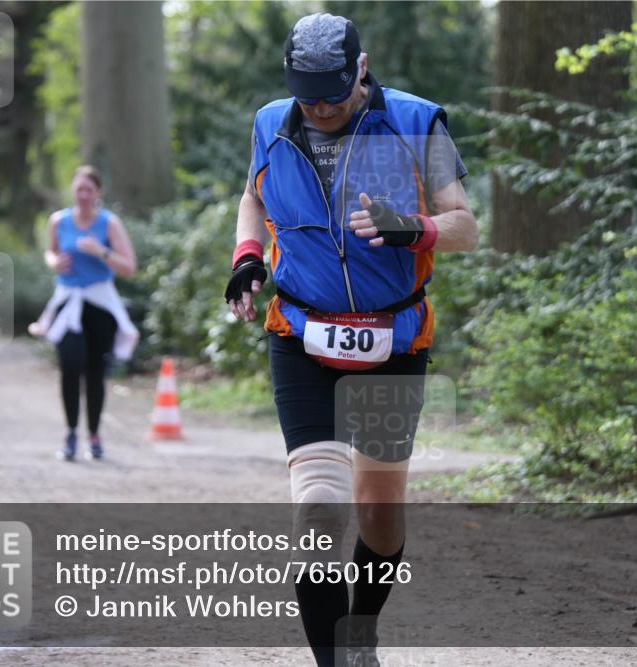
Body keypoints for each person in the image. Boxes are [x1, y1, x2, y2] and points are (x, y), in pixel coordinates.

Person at [225, 13, 477, 666]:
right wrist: (247, 256)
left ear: (360, 72)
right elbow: (252, 197)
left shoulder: (420, 121)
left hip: (394, 341)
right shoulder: (270, 122)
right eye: (307, 94)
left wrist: (415, 228)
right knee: (318, 508)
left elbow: (466, 226)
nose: (319, 107)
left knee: (379, 516)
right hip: (302, 334)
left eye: (331, 94)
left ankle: (360, 628)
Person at [29, 166, 138, 462]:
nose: (84, 195)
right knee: (70, 366)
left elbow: (129, 267)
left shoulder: (108, 224)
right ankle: (70, 433)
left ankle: (94, 435)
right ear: (73, 191)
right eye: (79, 189)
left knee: (94, 373)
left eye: (90, 190)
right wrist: (54, 262)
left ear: (98, 193)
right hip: (68, 301)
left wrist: (99, 251)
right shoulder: (59, 221)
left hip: (100, 303)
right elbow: (50, 252)